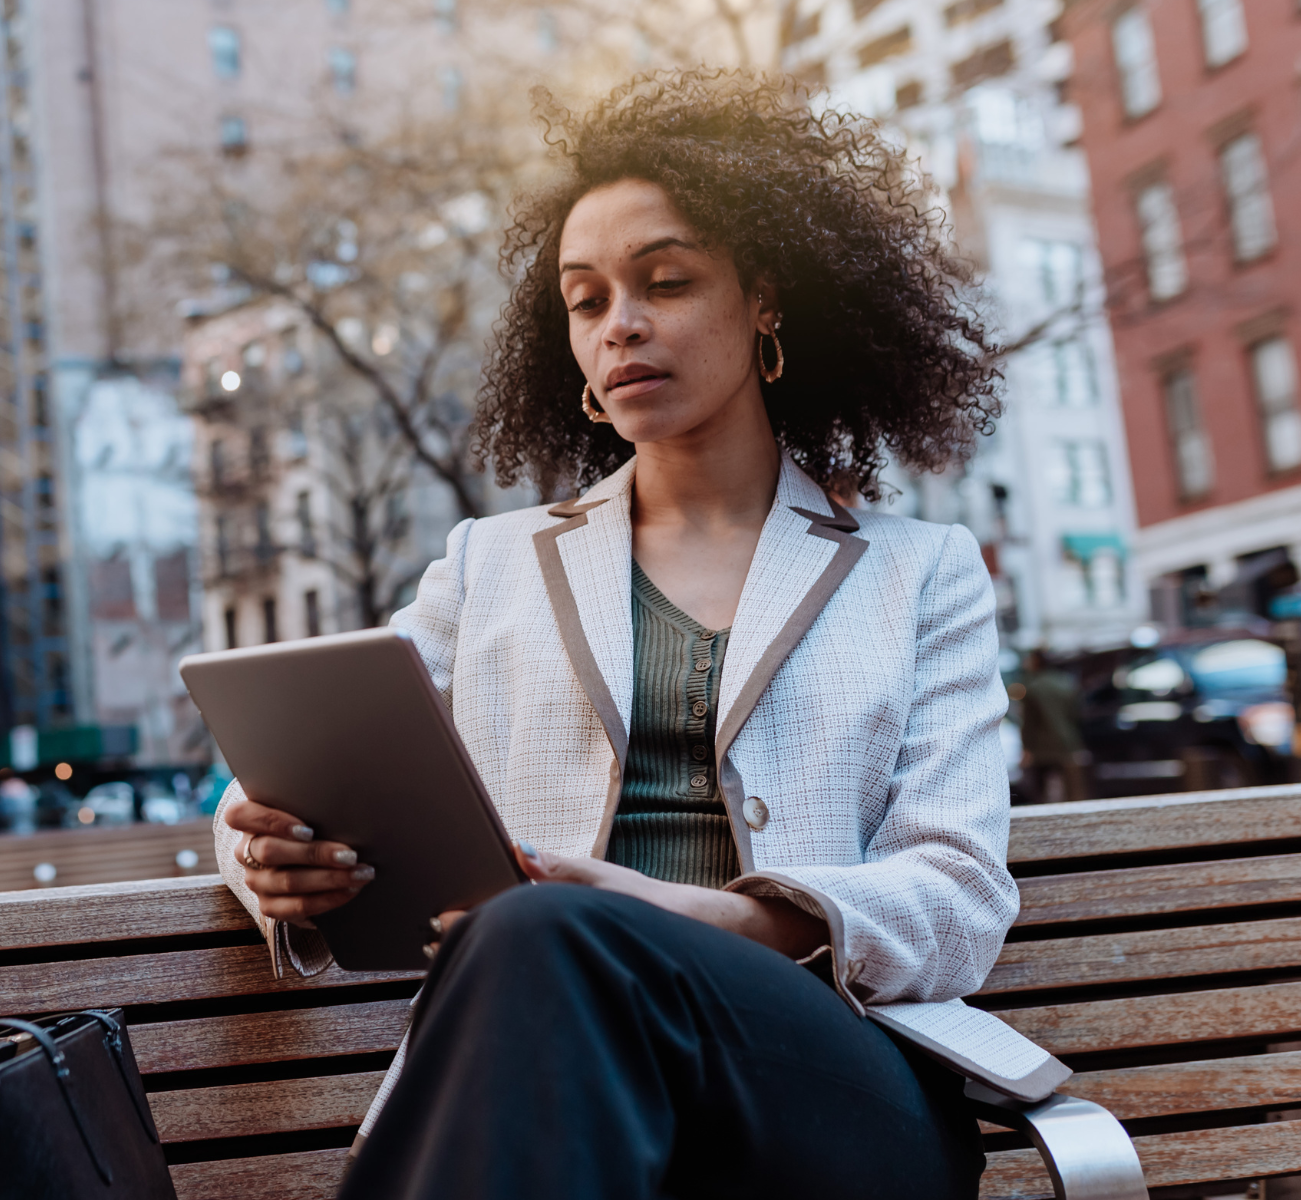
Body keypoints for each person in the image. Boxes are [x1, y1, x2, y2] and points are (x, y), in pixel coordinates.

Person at [213, 71, 1023, 1199]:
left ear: (767, 300)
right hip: (549, 1075)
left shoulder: (919, 574)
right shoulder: (484, 564)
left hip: (830, 1083)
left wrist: (663, 911)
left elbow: (955, 895)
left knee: (545, 932)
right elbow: (307, 764)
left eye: (666, 281)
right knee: (540, 941)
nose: (619, 325)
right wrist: (264, 851)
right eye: (584, 300)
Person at [1018, 648, 1089, 804]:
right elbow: (1076, 715)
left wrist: (1026, 748)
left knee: (1040, 795)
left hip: (1041, 747)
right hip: (1067, 742)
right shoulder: (1067, 683)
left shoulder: (1033, 688)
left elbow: (1029, 723)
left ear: (1037, 661)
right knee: (1074, 792)